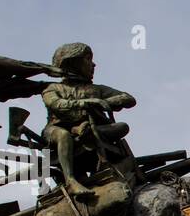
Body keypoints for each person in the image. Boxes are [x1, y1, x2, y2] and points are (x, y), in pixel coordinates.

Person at [41, 43, 137, 200]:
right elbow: (57, 104)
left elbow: (128, 98)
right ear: (73, 62)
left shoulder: (95, 89)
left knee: (122, 127)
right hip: (55, 131)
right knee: (63, 135)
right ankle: (71, 181)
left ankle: (83, 131)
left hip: (92, 130)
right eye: (88, 59)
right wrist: (89, 103)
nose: (93, 64)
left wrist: (103, 101)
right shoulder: (53, 88)